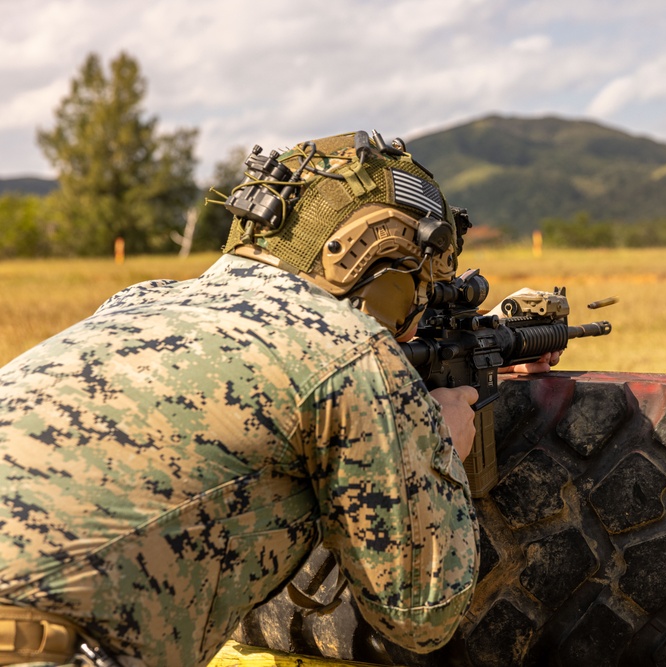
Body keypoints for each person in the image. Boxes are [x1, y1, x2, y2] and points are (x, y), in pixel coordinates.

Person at [0, 131, 553, 666]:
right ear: (378, 267)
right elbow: (423, 614)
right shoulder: (348, 348)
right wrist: (438, 451)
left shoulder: (133, 305)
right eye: (418, 292)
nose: (411, 328)